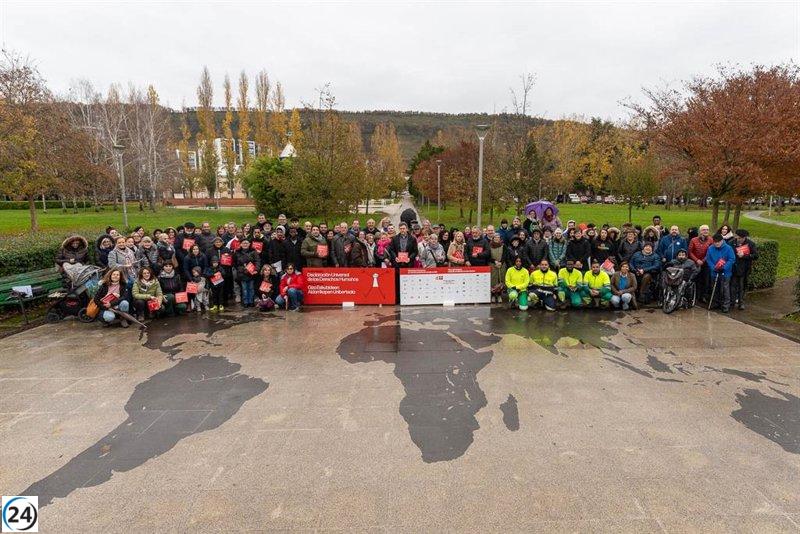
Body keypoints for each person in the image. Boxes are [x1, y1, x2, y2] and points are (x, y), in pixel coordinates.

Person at [706, 233, 736, 313]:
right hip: (714, 272)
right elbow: (708, 259)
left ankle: (726, 305)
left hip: (725, 273)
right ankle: (716, 303)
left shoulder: (728, 248)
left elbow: (731, 259)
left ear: (722, 240)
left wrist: (724, 268)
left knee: (725, 289)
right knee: (715, 288)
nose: (717, 244)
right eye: (715, 242)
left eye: (718, 242)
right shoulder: (710, 248)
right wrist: (713, 268)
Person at [731, 229, 758, 310]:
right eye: (737, 237)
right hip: (733, 268)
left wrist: (745, 256)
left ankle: (741, 302)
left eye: (740, 238)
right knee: (733, 285)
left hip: (744, 269)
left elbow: (755, 256)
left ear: (744, 237)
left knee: (741, 286)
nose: (738, 239)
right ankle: (732, 302)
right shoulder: (731, 243)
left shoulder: (750, 244)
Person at [688, 224, 712, 301]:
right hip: (695, 262)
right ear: (700, 231)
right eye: (704, 230)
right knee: (695, 279)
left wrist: (703, 260)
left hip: (706, 263)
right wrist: (697, 260)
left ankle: (703, 296)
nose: (706, 231)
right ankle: (695, 296)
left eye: (707, 230)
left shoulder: (711, 240)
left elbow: (710, 252)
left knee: (705, 280)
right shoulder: (693, 240)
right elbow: (690, 252)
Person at [235, 238, 261, 308]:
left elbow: (257, 261)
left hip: (252, 272)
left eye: (246, 243)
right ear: (241, 244)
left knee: (251, 288)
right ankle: (246, 302)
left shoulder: (253, 251)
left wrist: (256, 269)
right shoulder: (237, 252)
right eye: (243, 243)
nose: (245, 244)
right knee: (244, 289)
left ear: (249, 244)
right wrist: (242, 269)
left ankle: (251, 301)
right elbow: (235, 263)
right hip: (242, 273)